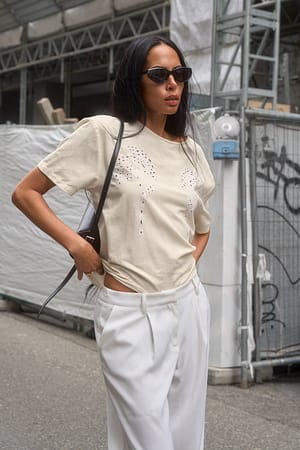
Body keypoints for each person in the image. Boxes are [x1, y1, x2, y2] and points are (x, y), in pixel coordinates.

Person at [12, 35, 215, 450]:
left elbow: (201, 227)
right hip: (129, 312)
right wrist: (75, 245)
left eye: (180, 74)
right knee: (149, 437)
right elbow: (26, 193)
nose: (172, 84)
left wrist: (185, 268)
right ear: (133, 81)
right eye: (159, 75)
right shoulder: (106, 134)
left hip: (187, 306)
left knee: (184, 435)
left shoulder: (192, 151)